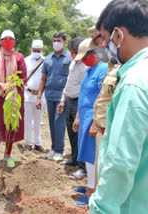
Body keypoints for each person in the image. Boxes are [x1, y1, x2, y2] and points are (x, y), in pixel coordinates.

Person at [89, 0, 148, 213]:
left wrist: (100, 208)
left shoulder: (134, 83)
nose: (105, 47)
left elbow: (120, 162)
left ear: (118, 34)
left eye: (105, 39)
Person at [71, 38, 108, 206]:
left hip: (94, 120)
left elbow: (103, 99)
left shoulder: (103, 69)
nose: (83, 61)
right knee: (86, 154)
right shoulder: (89, 69)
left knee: (93, 156)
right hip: (85, 117)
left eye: (85, 57)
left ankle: (91, 192)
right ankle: (89, 184)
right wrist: (78, 117)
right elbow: (84, 94)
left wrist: (95, 123)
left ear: (95, 52)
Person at [0, 30, 27, 168]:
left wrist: (11, 85)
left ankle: (8, 155)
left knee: (11, 125)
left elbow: (24, 78)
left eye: (11, 38)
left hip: (13, 97)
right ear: (1, 41)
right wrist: (1, 84)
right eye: (5, 38)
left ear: (14, 41)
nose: (8, 41)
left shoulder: (19, 57)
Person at [87, 26, 121, 188]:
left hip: (112, 135)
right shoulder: (112, 67)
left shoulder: (126, 70)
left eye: (103, 39)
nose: (101, 46)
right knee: (100, 176)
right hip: (102, 131)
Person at [36, 32, 72, 161]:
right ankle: (53, 148)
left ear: (64, 42)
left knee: (59, 123)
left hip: (62, 96)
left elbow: (71, 79)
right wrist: (39, 97)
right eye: (54, 40)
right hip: (49, 95)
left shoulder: (69, 58)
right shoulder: (48, 59)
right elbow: (43, 79)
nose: (56, 43)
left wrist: (65, 97)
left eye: (59, 40)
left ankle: (60, 150)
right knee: (51, 123)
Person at [57, 37, 87, 179]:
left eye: (74, 52)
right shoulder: (73, 64)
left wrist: (78, 114)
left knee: (79, 134)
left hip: (78, 103)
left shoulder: (85, 67)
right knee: (71, 133)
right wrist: (63, 100)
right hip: (69, 101)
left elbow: (84, 90)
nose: (72, 54)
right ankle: (75, 159)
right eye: (71, 51)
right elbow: (68, 83)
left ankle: (82, 167)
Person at [23, 39, 46, 152]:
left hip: (40, 96)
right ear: (31, 49)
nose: (36, 52)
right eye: (34, 50)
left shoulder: (46, 61)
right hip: (27, 94)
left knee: (38, 120)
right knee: (27, 120)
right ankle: (29, 143)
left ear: (42, 50)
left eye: (38, 50)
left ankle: (38, 143)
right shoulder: (25, 60)